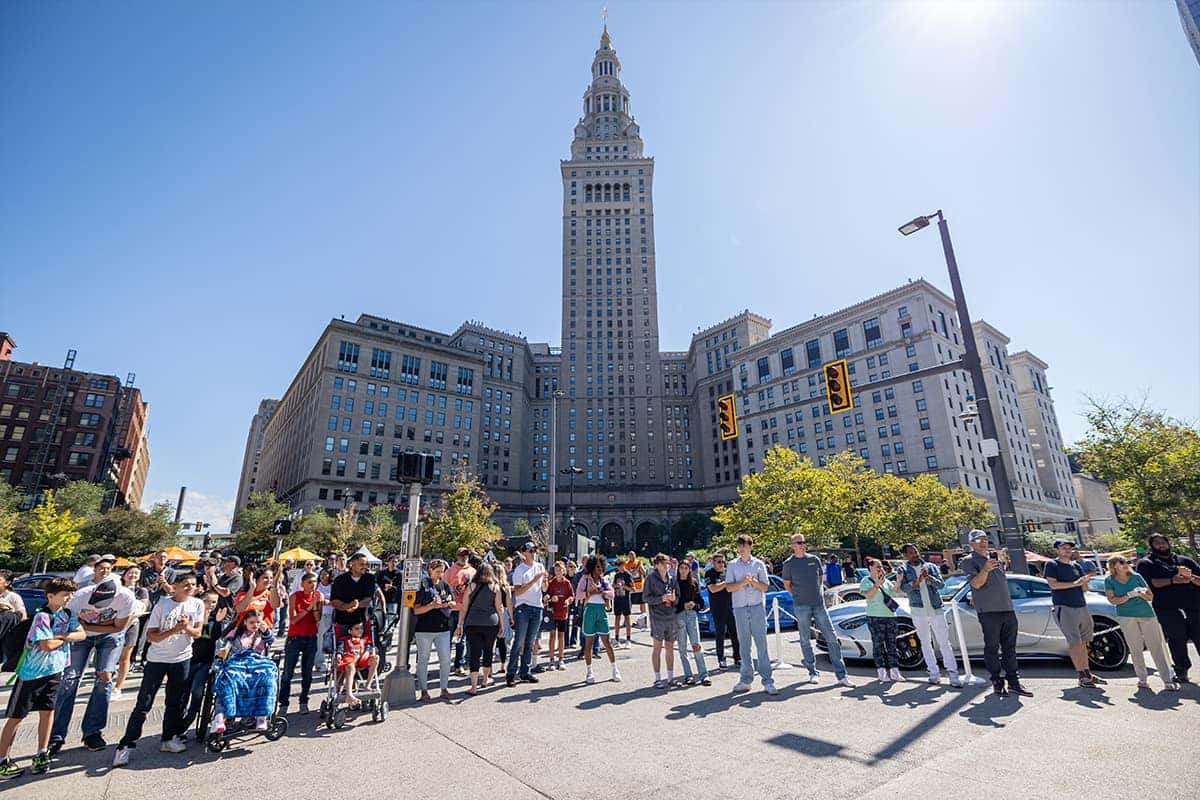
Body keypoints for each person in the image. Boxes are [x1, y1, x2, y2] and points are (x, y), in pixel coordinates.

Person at [112, 574, 205, 767]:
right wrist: (174, 630)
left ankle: (168, 738)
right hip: (157, 659)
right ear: (175, 586)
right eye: (185, 584)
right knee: (144, 703)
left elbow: (197, 632)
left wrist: (186, 628)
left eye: (193, 585)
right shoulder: (163, 604)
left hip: (182, 658)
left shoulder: (197, 604)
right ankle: (126, 745)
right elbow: (152, 636)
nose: (190, 588)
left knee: (175, 702)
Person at [49, 555, 134, 755]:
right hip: (80, 636)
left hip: (110, 638)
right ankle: (56, 735)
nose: (99, 605)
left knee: (105, 677)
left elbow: (118, 627)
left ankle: (92, 732)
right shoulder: (80, 596)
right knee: (69, 680)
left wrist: (89, 624)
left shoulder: (127, 597)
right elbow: (70, 624)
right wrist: (100, 625)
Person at [0, 577, 83, 779]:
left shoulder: (68, 614)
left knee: (48, 712)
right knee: (16, 716)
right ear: (50, 596)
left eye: (71, 594)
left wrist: (61, 637)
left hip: (55, 670)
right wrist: (66, 637)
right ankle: (2, 759)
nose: (69, 598)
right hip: (32, 673)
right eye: (65, 595)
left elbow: (81, 634)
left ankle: (41, 753)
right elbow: (46, 645)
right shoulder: (42, 617)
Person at [960, 530, 1031, 698]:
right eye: (978, 540)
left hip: (1007, 609)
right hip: (988, 611)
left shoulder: (994, 558)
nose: (983, 542)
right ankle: (997, 681)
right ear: (971, 543)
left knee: (1010, 648)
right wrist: (985, 570)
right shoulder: (969, 561)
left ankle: (1013, 681)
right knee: (992, 647)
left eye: (985, 539)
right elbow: (976, 584)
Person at [782, 535, 852, 687]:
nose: (803, 544)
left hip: (819, 605)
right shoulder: (788, 564)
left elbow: (820, 578)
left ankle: (842, 675)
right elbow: (787, 584)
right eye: (799, 542)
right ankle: (812, 672)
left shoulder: (814, 560)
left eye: (804, 542)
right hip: (801, 606)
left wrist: (816, 594)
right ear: (792, 545)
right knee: (805, 640)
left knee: (831, 637)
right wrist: (798, 596)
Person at [1105, 555, 1178, 691]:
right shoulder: (1109, 580)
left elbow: (1150, 596)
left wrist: (1140, 594)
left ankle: (1167, 679)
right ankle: (1142, 678)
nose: (1125, 564)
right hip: (1126, 616)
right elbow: (1112, 600)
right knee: (1135, 648)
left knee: (1156, 646)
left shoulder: (1136, 577)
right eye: (1121, 562)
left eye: (1126, 562)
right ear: (1114, 566)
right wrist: (1129, 595)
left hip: (1146, 614)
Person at [1135, 533, 1200, 684]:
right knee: (1177, 638)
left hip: (1194, 607)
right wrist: (1172, 580)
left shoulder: (1185, 560)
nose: (1161, 545)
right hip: (1167, 609)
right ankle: (1181, 670)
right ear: (1151, 546)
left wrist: (1190, 577)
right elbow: (1150, 584)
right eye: (1157, 543)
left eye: (1163, 542)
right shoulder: (1146, 563)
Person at [1043, 539, 1105, 688]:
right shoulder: (1052, 564)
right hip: (1065, 607)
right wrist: (1074, 583)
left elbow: (1084, 589)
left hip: (1081, 605)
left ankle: (1087, 673)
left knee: (1083, 642)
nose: (1067, 550)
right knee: (1074, 642)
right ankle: (1081, 675)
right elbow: (1053, 585)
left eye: (1069, 547)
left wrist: (1085, 580)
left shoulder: (1076, 565)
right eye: (1063, 547)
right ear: (1056, 550)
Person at [895, 544, 959, 687]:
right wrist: (917, 582)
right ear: (906, 556)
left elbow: (941, 585)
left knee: (944, 642)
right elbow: (904, 589)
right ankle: (933, 673)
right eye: (911, 553)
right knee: (925, 642)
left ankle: (953, 674)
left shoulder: (931, 567)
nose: (915, 554)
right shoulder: (903, 569)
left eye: (916, 551)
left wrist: (928, 577)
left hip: (936, 609)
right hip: (918, 610)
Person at [209, 609, 276, 734]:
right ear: (245, 622)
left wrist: (265, 630)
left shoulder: (263, 634)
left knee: (267, 678)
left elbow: (271, 640)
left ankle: (261, 717)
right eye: (252, 622)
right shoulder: (236, 634)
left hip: (257, 664)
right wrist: (223, 651)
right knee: (228, 679)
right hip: (238, 663)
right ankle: (219, 718)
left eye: (258, 622)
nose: (255, 625)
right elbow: (226, 645)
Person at [726, 535, 776, 695]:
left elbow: (765, 587)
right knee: (744, 646)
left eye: (744, 546)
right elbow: (729, 587)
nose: (741, 549)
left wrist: (753, 582)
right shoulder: (732, 565)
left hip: (756, 607)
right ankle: (746, 680)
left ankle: (767, 681)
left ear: (750, 547)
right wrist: (742, 583)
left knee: (762, 645)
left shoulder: (759, 564)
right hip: (740, 608)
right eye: (739, 546)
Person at [182, 591, 231, 731]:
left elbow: (216, 639)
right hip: (189, 659)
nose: (210, 605)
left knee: (197, 692)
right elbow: (195, 635)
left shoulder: (216, 620)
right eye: (207, 601)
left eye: (214, 602)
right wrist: (203, 618)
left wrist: (218, 623)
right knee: (182, 693)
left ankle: (188, 721)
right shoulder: (192, 617)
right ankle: (178, 725)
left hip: (205, 662)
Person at [455, 563, 504, 695]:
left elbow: (464, 607)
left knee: (474, 654)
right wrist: (502, 624)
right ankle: (486, 679)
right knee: (488, 651)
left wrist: (459, 624)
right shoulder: (495, 587)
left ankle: (473, 686)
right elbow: (499, 608)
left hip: (473, 623)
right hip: (491, 623)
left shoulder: (471, 586)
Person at [279, 571, 323, 714]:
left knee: (307, 672)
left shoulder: (318, 596)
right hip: (295, 638)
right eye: (309, 582)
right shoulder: (295, 596)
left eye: (315, 582)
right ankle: (283, 703)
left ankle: (304, 701)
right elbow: (293, 620)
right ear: (302, 584)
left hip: (311, 637)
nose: (312, 585)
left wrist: (316, 606)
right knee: (288, 672)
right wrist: (308, 607)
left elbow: (318, 619)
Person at [506, 542, 547, 686]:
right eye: (531, 550)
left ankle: (525, 671)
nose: (534, 552)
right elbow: (518, 592)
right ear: (524, 553)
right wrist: (534, 580)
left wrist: (544, 581)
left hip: (537, 606)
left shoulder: (540, 566)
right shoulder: (519, 570)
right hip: (523, 607)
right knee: (519, 641)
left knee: (530, 642)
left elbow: (544, 588)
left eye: (535, 550)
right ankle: (511, 673)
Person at [575, 555, 621, 684]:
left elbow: (612, 594)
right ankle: (589, 672)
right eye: (597, 567)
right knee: (588, 643)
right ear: (592, 567)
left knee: (607, 642)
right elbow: (578, 595)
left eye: (601, 567)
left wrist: (603, 592)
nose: (600, 569)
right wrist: (590, 593)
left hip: (601, 611)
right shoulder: (585, 579)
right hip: (589, 610)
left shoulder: (604, 580)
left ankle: (615, 669)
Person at [413, 559, 455, 701]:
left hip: (443, 628)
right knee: (423, 660)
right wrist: (431, 605)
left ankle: (444, 688)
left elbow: (453, 601)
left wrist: (448, 604)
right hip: (424, 629)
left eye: (442, 571)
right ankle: (424, 691)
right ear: (430, 570)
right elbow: (416, 610)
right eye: (437, 571)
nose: (440, 574)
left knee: (445, 659)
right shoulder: (422, 585)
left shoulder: (445, 585)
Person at [859, 558, 901, 683]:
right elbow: (868, 595)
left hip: (890, 616)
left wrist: (898, 581)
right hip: (875, 616)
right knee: (878, 645)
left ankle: (894, 671)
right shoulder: (866, 580)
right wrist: (876, 585)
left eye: (881, 566)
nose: (880, 568)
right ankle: (881, 671)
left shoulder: (886, 581)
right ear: (870, 568)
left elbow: (894, 592)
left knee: (892, 644)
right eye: (877, 566)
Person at [112, 565, 150, 699]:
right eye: (130, 572)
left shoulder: (141, 590)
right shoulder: (116, 588)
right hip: (113, 624)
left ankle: (118, 687)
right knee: (110, 655)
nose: (133, 575)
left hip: (132, 625)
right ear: (124, 574)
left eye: (136, 573)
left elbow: (143, 606)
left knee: (125, 657)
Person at [643, 553, 679, 688]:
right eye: (664, 563)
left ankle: (670, 678)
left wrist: (674, 599)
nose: (667, 565)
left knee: (670, 647)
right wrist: (661, 599)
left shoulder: (672, 579)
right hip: (657, 617)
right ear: (657, 565)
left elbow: (678, 597)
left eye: (668, 563)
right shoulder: (650, 578)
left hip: (670, 616)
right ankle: (657, 678)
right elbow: (645, 597)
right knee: (657, 647)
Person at [673, 559, 709, 686]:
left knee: (696, 645)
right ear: (678, 569)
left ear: (689, 570)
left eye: (686, 568)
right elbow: (672, 603)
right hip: (679, 616)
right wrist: (682, 605)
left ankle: (704, 675)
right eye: (681, 568)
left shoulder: (693, 582)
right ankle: (688, 675)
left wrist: (694, 605)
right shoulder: (674, 583)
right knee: (682, 648)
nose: (683, 570)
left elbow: (701, 602)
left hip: (692, 615)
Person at [704, 553, 740, 671]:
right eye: (719, 562)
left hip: (730, 606)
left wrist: (728, 584)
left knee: (734, 633)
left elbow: (734, 586)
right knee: (720, 634)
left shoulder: (727, 573)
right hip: (718, 608)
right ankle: (721, 658)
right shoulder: (709, 573)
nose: (721, 564)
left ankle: (737, 657)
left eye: (723, 562)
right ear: (713, 563)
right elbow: (713, 589)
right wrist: (725, 583)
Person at [334, 620, 379, 708]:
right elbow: (340, 648)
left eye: (361, 628)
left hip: (362, 659)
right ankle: (349, 694)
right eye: (357, 629)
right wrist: (339, 655)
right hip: (349, 659)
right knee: (350, 666)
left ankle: (367, 686)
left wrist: (367, 651)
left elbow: (370, 646)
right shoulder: (345, 639)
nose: (360, 630)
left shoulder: (365, 639)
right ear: (350, 631)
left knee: (376, 658)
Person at [445, 548, 474, 675]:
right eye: (462, 555)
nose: (464, 557)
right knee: (447, 639)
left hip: (466, 610)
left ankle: (459, 665)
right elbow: (444, 589)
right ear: (457, 556)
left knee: (461, 639)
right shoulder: (449, 571)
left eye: (466, 555)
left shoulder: (473, 571)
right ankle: (445, 664)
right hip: (452, 610)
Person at [544, 561, 573, 670]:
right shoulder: (551, 583)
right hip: (553, 613)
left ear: (564, 570)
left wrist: (568, 601)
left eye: (560, 570)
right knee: (552, 636)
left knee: (561, 636)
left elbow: (571, 595)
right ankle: (551, 660)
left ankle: (561, 659)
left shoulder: (567, 583)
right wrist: (550, 598)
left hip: (563, 613)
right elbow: (547, 594)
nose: (558, 572)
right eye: (556, 570)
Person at [0, 570, 28, 673]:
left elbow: (23, 616)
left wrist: (9, 609)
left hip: (6, 634)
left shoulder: (13, 597)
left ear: (7, 583)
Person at [611, 559, 634, 648]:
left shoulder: (628, 575)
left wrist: (624, 586)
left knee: (627, 618)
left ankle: (628, 639)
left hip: (625, 599)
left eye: (620, 565)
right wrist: (616, 586)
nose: (619, 568)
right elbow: (613, 585)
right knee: (617, 618)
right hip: (617, 599)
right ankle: (616, 638)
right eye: (618, 566)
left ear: (624, 565)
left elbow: (633, 589)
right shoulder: (616, 575)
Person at [626, 552, 647, 627]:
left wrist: (640, 567)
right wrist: (633, 571)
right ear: (629, 556)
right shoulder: (627, 564)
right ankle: (626, 621)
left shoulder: (638, 562)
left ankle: (644, 621)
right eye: (630, 555)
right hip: (632, 587)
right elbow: (628, 574)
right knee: (629, 603)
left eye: (633, 555)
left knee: (642, 603)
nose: (632, 557)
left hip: (640, 586)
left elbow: (644, 573)